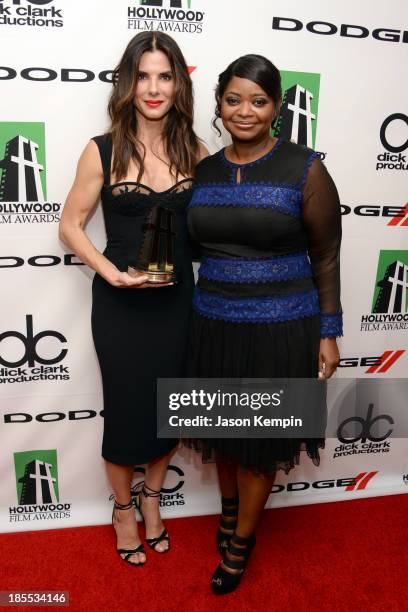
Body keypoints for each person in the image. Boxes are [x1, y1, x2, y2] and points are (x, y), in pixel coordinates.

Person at [187, 54, 342, 594]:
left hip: (282, 326)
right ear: (220, 105)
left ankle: (242, 540)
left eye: (258, 101)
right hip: (214, 324)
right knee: (225, 435)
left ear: (276, 107)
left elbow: (325, 256)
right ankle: (229, 511)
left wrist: (329, 330)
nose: (244, 111)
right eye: (233, 100)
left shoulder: (305, 167)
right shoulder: (203, 172)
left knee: (259, 440)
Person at [59, 31, 207, 567]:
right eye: (142, 75)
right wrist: (111, 272)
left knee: (168, 411)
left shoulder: (197, 151)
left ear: (178, 85)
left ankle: (151, 500)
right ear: (128, 81)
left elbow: (213, 228)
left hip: (176, 303)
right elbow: (70, 227)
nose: (152, 87)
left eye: (164, 76)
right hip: (120, 306)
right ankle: (123, 509)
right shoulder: (101, 150)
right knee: (125, 413)